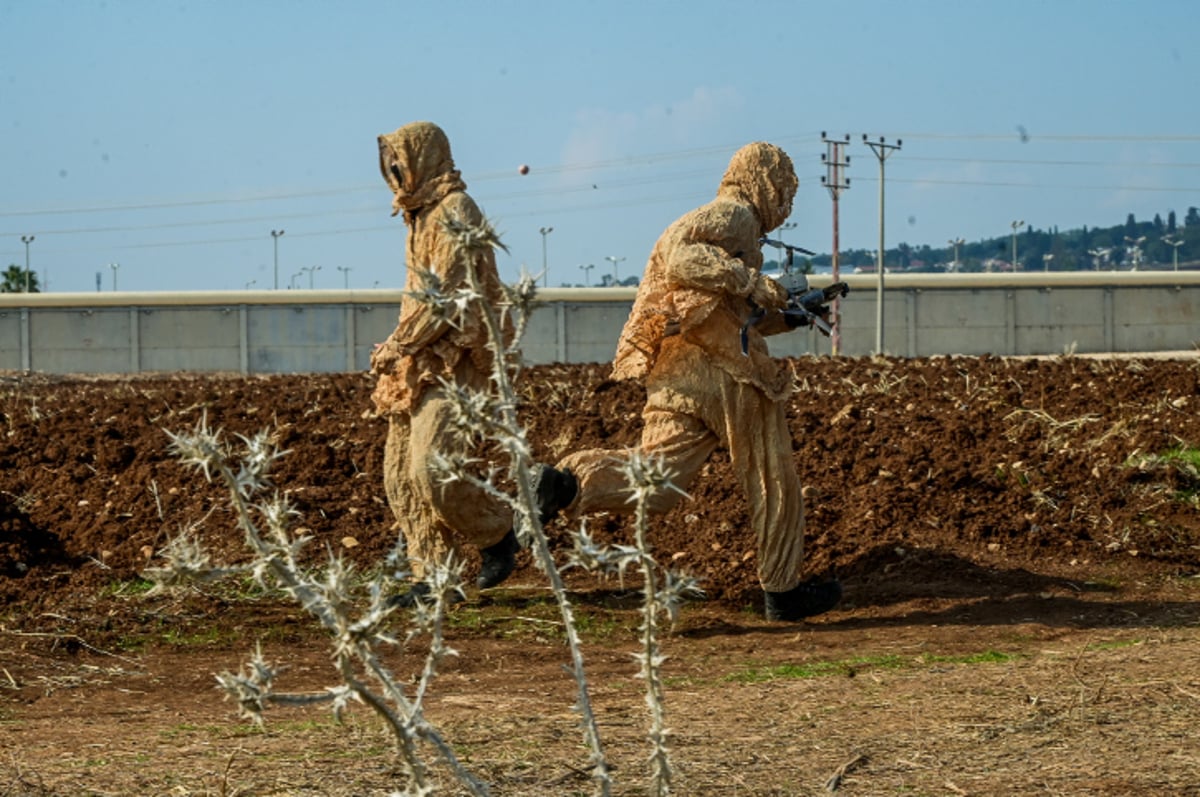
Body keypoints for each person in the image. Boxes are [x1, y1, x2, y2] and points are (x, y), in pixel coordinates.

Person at [550, 141, 842, 622]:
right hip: (725, 371)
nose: (786, 207)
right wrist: (753, 282)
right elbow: (683, 259)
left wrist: (789, 316)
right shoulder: (735, 216)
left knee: (659, 479)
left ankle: (564, 483)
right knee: (771, 474)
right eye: (784, 191)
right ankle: (782, 590)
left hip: (679, 371)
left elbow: (721, 309)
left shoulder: (735, 231)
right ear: (762, 181)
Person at [371, 120, 539, 605]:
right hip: (418, 361)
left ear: (424, 158)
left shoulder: (455, 208)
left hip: (457, 359)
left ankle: (497, 533)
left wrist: (398, 344)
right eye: (391, 166)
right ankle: (434, 579)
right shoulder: (417, 215)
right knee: (400, 477)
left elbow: (447, 297)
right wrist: (401, 348)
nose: (395, 174)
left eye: (400, 163)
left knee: (432, 469)